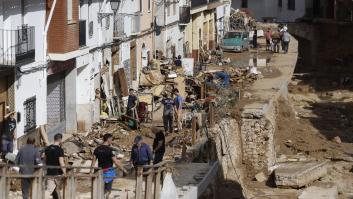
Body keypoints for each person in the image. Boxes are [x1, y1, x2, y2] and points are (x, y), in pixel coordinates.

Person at [91, 134, 127, 198]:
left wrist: (91, 172)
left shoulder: (97, 149)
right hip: (108, 172)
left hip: (99, 172)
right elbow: (116, 162)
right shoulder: (110, 150)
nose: (112, 141)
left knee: (100, 189)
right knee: (108, 190)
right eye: (112, 139)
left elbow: (93, 162)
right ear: (108, 139)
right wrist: (123, 170)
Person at [44, 133, 66, 199]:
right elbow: (61, 162)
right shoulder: (60, 150)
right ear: (60, 139)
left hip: (49, 172)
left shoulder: (47, 148)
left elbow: (45, 160)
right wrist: (65, 172)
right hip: (57, 173)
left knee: (53, 190)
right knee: (51, 190)